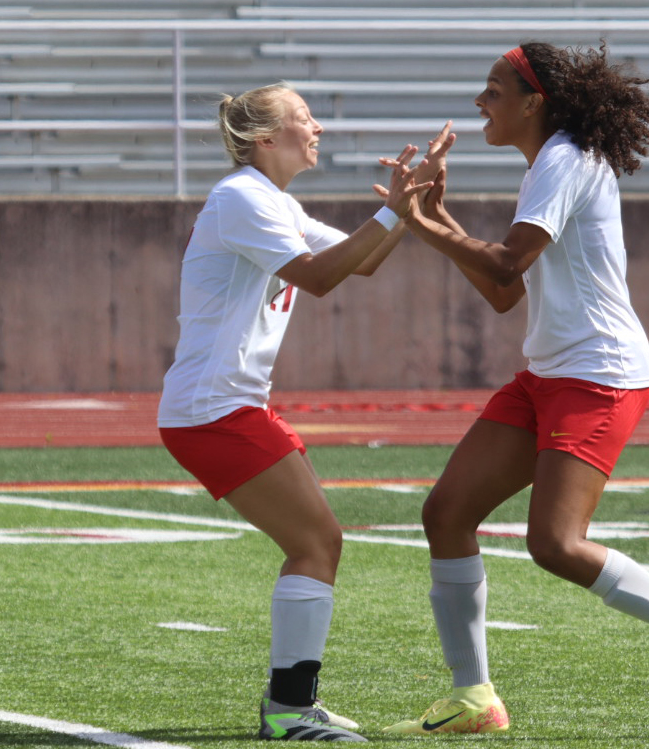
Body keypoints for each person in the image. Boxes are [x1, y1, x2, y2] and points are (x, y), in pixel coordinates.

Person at [382, 43, 649, 735]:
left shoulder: (560, 158)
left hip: (598, 374)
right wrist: (433, 220)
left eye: (493, 90)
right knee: (446, 513)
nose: (479, 102)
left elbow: (504, 264)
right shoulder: (549, 161)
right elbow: (504, 290)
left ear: (534, 102)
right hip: (551, 372)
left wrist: (420, 221)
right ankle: (474, 696)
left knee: (554, 542)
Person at [156, 84, 447, 742]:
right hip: (213, 408)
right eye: (302, 118)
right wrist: (396, 211)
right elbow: (318, 276)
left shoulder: (271, 200)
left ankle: (293, 703)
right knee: (317, 542)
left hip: (222, 405)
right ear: (264, 138)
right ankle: (288, 709)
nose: (316, 127)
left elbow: (361, 263)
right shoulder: (240, 197)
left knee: (315, 542)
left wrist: (410, 209)